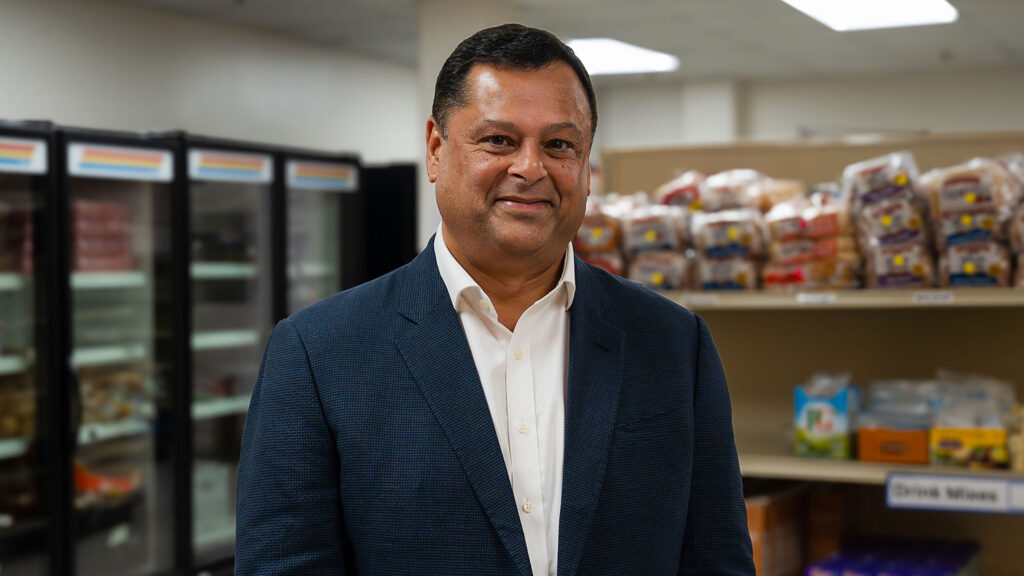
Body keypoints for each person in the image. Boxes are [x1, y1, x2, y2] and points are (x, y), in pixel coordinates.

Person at [236, 23, 754, 576]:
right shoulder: (318, 354)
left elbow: (716, 557)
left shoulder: (673, 343)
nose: (530, 168)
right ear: (436, 150)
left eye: (559, 144)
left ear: (585, 166)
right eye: (498, 140)